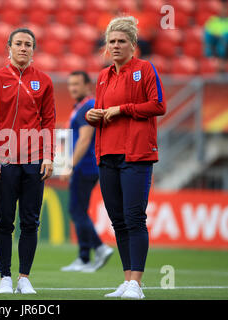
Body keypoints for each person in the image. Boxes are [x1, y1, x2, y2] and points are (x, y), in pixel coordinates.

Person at [86, 16, 166, 299]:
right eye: (112, 42)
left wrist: (123, 109)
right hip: (107, 153)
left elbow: (158, 105)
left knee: (134, 218)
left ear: (133, 44)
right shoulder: (103, 76)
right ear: (106, 46)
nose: (116, 46)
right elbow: (101, 111)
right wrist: (91, 115)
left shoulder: (145, 69)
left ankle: (137, 283)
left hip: (136, 155)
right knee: (118, 220)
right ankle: (127, 279)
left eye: (122, 41)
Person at [0, 28, 56, 294]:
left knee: (30, 221)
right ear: (8, 47)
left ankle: (24, 277)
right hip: (5, 159)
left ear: (33, 50)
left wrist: (49, 156)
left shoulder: (44, 81)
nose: (23, 48)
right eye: (19, 43)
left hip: (34, 159)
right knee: (4, 221)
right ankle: (5, 277)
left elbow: (48, 121)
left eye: (28, 44)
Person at [60, 71, 113, 273]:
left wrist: (70, 165)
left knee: (76, 210)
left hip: (85, 166)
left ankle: (99, 248)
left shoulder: (87, 107)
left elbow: (84, 139)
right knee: (78, 210)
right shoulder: (81, 107)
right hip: (85, 166)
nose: (73, 88)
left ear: (87, 85)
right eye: (70, 84)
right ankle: (83, 258)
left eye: (77, 84)